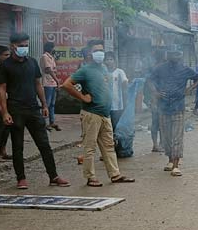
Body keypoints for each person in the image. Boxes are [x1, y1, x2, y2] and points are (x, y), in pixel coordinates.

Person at [0, 33, 69, 189]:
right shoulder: (5, 65)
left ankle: (53, 176)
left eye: (26, 45)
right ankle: (21, 179)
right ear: (13, 46)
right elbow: (1, 90)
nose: (24, 48)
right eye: (21, 45)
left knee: (44, 144)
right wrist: (5, 112)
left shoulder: (33, 62)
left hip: (33, 109)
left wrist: (44, 105)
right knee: (17, 146)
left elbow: (38, 84)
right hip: (15, 109)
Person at [61, 41, 135, 187]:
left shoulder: (104, 69)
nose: (100, 53)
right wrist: (82, 97)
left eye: (101, 50)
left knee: (108, 146)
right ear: (90, 53)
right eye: (97, 50)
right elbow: (66, 84)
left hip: (105, 114)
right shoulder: (85, 70)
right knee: (90, 147)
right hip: (91, 114)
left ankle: (115, 174)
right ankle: (90, 177)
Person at [149, 50, 198, 176]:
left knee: (177, 137)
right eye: (172, 54)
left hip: (178, 107)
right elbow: (150, 80)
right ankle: (170, 160)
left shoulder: (185, 69)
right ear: (168, 56)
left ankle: (176, 165)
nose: (175, 56)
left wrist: (189, 89)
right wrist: (155, 92)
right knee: (166, 137)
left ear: (180, 56)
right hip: (163, 107)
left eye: (177, 54)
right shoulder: (160, 68)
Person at [146, 49, 166, 152]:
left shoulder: (164, 68)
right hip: (156, 100)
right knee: (156, 123)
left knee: (162, 122)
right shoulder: (156, 68)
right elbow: (149, 81)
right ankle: (156, 145)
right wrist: (155, 93)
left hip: (163, 99)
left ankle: (161, 144)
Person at [104, 52, 129, 129]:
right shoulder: (103, 72)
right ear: (105, 61)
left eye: (111, 59)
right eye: (107, 59)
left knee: (117, 125)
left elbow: (125, 83)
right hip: (105, 104)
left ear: (114, 61)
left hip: (118, 105)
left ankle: (116, 140)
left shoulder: (120, 72)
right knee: (107, 126)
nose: (109, 61)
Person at [40, 41, 60, 131]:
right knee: (46, 104)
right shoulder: (45, 56)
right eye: (53, 47)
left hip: (52, 83)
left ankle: (52, 122)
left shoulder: (51, 57)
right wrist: (57, 80)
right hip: (47, 83)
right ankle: (44, 123)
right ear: (50, 48)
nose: (54, 49)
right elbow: (48, 70)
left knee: (52, 104)